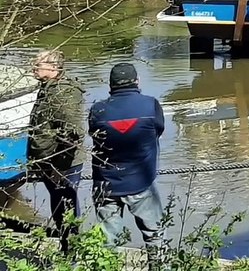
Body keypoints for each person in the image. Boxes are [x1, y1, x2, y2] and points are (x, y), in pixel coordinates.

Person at [88, 63, 165, 266]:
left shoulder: (98, 109)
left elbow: (95, 137)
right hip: (141, 182)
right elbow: (158, 130)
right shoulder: (151, 105)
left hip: (106, 184)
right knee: (154, 236)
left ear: (111, 85)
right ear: (137, 81)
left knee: (106, 242)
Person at [26, 50, 86, 253]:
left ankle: (73, 252)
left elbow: (73, 133)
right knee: (60, 206)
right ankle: (67, 247)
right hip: (50, 163)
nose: (34, 67)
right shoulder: (48, 88)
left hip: (63, 164)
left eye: (38, 64)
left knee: (65, 207)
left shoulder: (63, 92)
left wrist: (58, 167)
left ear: (54, 68)